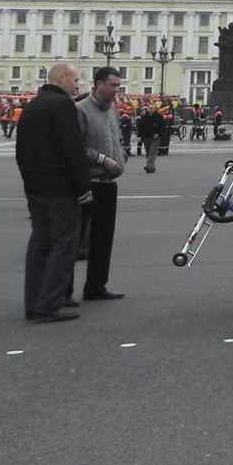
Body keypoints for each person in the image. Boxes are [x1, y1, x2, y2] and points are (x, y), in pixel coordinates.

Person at [16, 63, 93, 323]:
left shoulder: (32, 106)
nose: (77, 86)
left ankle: (34, 303)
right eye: (75, 80)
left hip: (35, 187)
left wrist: (28, 180)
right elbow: (71, 147)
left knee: (40, 244)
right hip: (60, 188)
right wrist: (83, 185)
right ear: (61, 78)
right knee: (64, 244)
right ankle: (50, 303)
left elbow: (21, 150)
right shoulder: (62, 106)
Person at [75, 67, 126, 302]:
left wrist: (120, 157)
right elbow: (75, 147)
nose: (117, 90)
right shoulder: (81, 110)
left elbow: (118, 140)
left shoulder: (112, 111)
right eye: (113, 85)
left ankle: (96, 286)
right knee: (78, 239)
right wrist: (102, 159)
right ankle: (63, 290)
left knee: (104, 238)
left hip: (108, 184)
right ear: (97, 84)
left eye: (118, 86)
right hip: (89, 183)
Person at [136, 105, 164, 172]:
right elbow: (140, 127)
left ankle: (148, 166)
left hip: (155, 137)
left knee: (152, 152)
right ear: (147, 109)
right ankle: (152, 167)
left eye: (153, 108)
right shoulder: (144, 118)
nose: (152, 109)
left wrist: (158, 133)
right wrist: (139, 136)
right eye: (150, 108)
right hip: (146, 137)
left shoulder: (159, 117)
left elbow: (163, 127)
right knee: (148, 152)